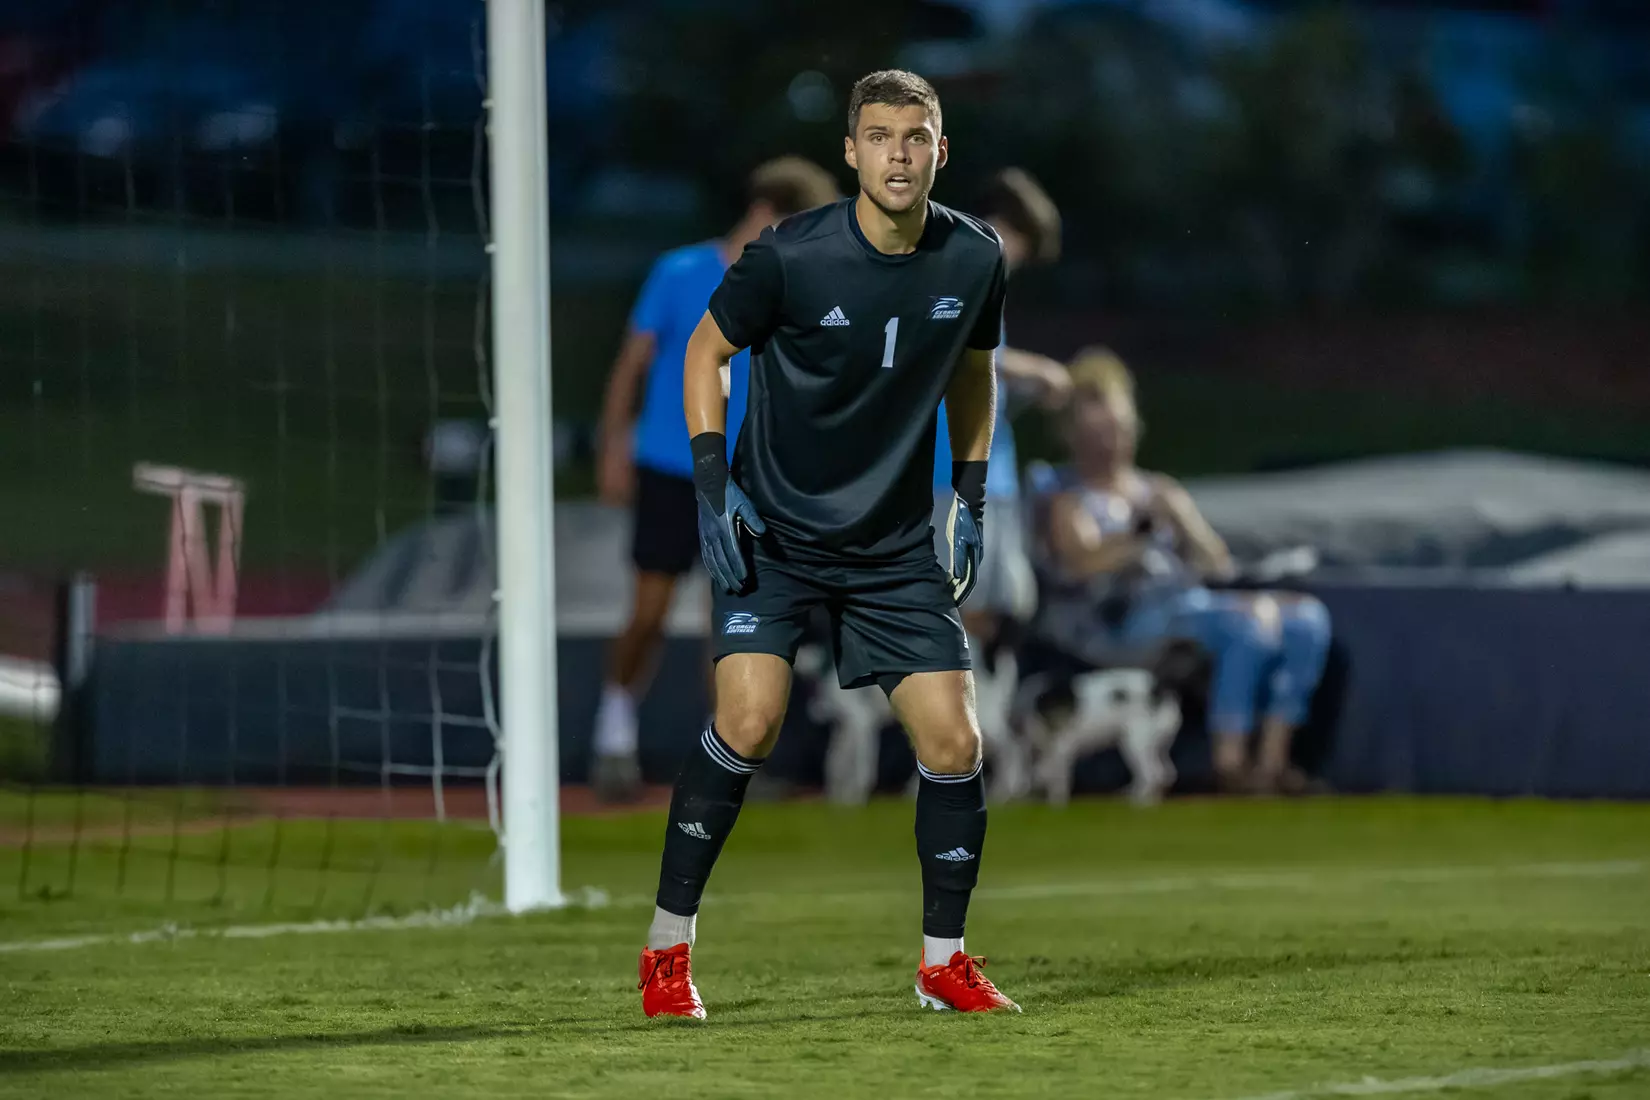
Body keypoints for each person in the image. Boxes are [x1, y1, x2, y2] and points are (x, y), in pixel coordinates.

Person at [637, 70, 1020, 1018]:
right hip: (775, 528)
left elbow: (976, 372)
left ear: (941, 151)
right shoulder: (788, 257)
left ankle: (944, 964)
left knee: (955, 740)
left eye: (916, 135)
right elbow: (704, 353)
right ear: (851, 153)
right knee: (749, 723)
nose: (899, 152)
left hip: (891, 546)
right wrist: (713, 481)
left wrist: (967, 493)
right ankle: (665, 952)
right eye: (880, 135)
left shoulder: (974, 257)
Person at [590, 157, 841, 802]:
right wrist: (613, 446)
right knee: (648, 609)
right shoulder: (679, 272)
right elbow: (631, 366)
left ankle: (723, 760)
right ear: (765, 214)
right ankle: (613, 730)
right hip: (672, 468)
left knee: (730, 623)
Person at [1041, 348, 1332, 794]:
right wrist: (1136, 533)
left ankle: (1273, 763)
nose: (1111, 441)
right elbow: (1081, 564)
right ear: (1072, 433)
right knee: (1246, 624)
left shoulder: (1157, 490)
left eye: (1118, 427)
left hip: (1189, 603)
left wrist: (1183, 520)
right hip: (1121, 619)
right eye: (1098, 429)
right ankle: (1230, 766)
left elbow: (1215, 564)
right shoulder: (1068, 497)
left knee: (1306, 620)